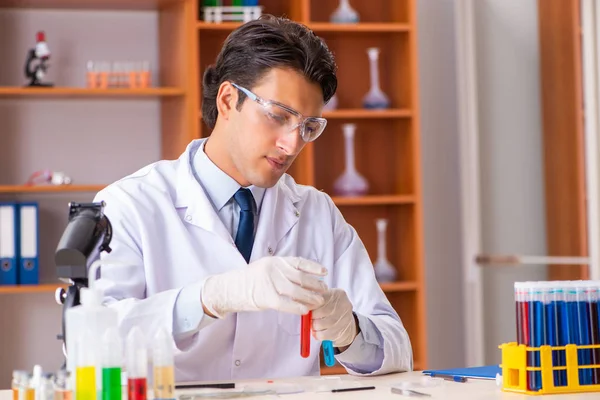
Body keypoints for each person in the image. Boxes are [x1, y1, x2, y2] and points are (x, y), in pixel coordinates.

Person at [93, 14, 412, 382]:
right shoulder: (129, 205)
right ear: (229, 100)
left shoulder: (316, 212)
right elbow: (95, 339)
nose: (292, 144)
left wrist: (350, 332)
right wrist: (208, 298)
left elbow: (398, 348)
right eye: (278, 116)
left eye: (308, 127)